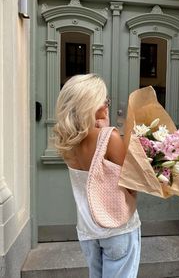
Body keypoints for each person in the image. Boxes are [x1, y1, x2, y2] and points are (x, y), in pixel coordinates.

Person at [54, 73, 141, 278]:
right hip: (117, 228)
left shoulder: (67, 141)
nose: (107, 105)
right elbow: (131, 186)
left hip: (87, 230)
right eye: (105, 100)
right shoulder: (109, 136)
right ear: (91, 104)